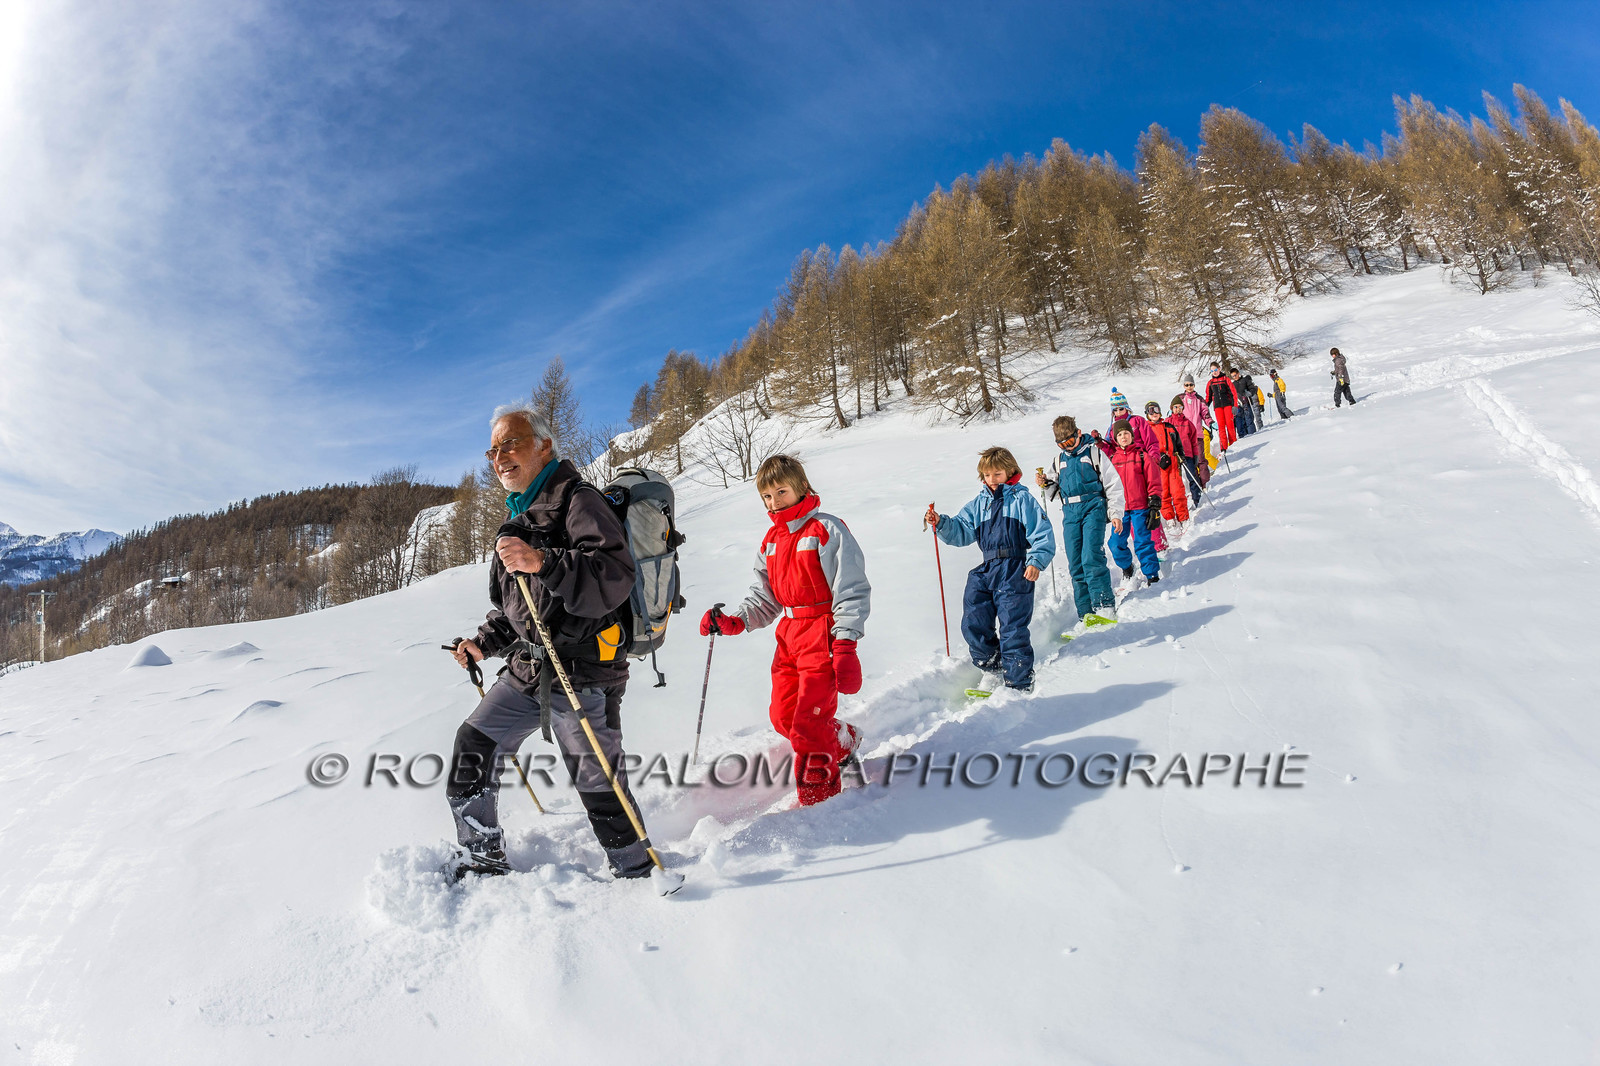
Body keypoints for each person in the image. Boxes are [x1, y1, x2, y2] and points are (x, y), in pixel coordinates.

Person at [447, 404, 649, 882]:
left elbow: (614, 577)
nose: (499, 457)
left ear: (544, 445)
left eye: (510, 444)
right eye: (493, 450)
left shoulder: (579, 501)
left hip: (583, 671)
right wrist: (482, 643)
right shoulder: (520, 514)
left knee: (597, 780)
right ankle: (482, 858)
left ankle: (638, 870)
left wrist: (545, 562)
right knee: (473, 746)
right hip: (531, 670)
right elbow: (519, 607)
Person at [701, 455, 870, 806]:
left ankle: (820, 805)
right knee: (785, 717)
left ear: (802, 487)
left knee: (808, 726)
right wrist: (735, 621)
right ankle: (841, 738)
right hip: (789, 635)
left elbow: (850, 588)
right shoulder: (772, 540)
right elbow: (765, 596)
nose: (774, 502)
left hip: (823, 633)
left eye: (781, 491)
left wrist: (845, 643)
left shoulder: (826, 528)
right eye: (767, 496)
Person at [927, 447, 1055, 692]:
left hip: (1015, 569)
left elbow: (1042, 533)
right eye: (987, 475)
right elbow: (961, 530)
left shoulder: (1022, 499)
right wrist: (941, 523)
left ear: (1010, 472)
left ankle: (1019, 682)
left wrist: (1035, 561)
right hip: (987, 569)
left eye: (997, 474)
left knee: (1012, 627)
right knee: (973, 621)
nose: (992, 479)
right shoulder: (979, 504)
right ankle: (993, 667)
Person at [1036, 415, 1122, 632]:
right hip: (1070, 512)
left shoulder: (1094, 453)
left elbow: (1113, 484)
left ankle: (1104, 606)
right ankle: (1086, 614)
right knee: (1075, 563)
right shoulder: (1059, 461)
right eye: (1062, 444)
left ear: (1078, 433)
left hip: (1093, 507)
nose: (1068, 447)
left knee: (1091, 557)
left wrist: (1115, 513)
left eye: (1070, 441)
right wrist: (1045, 483)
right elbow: (1055, 490)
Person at [1094, 420, 1161, 586]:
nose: (1123, 437)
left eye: (1126, 433)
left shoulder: (1142, 456)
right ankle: (1126, 566)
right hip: (1120, 510)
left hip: (1141, 508)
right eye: (1119, 435)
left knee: (1142, 542)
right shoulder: (1112, 460)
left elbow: (1153, 481)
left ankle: (1152, 575)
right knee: (1115, 543)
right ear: (1115, 439)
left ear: (1132, 435)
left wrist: (1154, 504)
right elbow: (1107, 484)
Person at [1108, 387, 1169, 551]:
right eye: (1115, 410)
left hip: (1143, 464)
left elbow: (1151, 442)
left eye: (1121, 408)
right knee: (1133, 510)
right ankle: (1142, 546)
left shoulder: (1138, 421)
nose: (1119, 412)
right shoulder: (1112, 428)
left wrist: (1153, 459)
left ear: (1127, 407)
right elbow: (1111, 450)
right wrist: (1100, 443)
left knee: (1148, 507)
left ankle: (1159, 545)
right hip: (1126, 471)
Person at [1146, 401, 1191, 526]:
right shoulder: (1147, 429)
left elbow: (1178, 444)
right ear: (1147, 414)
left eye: (1156, 410)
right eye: (1150, 411)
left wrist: (1181, 456)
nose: (1154, 413)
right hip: (1158, 466)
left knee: (1178, 491)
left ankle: (1183, 516)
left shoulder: (1169, 427)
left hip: (1173, 463)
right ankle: (1169, 517)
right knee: (1163, 492)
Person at [1178, 373, 1217, 479]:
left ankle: (1205, 482)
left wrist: (1210, 422)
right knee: (1190, 461)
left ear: (1194, 385)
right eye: (1187, 385)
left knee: (1201, 459)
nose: (1189, 387)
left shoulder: (1199, 399)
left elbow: (1205, 413)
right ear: (1184, 386)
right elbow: (1175, 412)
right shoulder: (1180, 398)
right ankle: (1195, 484)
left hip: (1197, 434)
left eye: (1191, 384)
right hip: (1185, 436)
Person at [1168, 396, 1204, 505]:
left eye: (1180, 407)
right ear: (1171, 408)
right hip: (1174, 455)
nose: (1178, 409)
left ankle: (1197, 499)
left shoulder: (1188, 423)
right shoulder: (1168, 422)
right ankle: (1178, 502)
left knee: (1192, 476)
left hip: (1187, 454)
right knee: (1175, 480)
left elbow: (1194, 441)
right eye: (1176, 407)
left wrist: (1196, 455)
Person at [1205, 362, 1240, 452]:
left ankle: (1233, 444)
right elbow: (1208, 397)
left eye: (1215, 370)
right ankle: (1223, 447)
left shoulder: (1225, 379)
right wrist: (1204, 407)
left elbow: (1233, 393)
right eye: (1212, 371)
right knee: (1221, 427)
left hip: (1227, 405)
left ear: (1219, 369)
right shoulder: (1210, 383)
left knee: (1230, 425)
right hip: (1218, 407)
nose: (1214, 372)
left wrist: (1235, 406)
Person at [1230, 369, 1258, 436]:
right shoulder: (1233, 384)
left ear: (1238, 373)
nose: (1234, 377)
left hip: (1246, 403)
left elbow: (1253, 388)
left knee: (1249, 420)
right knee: (1240, 422)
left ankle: (1252, 435)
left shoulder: (1245, 380)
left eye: (1235, 375)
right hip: (1238, 405)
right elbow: (1231, 395)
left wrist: (1250, 393)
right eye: (1232, 376)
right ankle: (1243, 437)